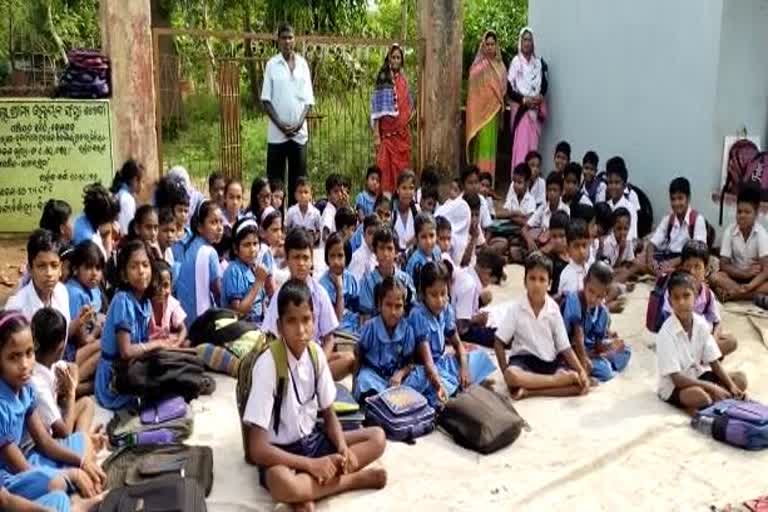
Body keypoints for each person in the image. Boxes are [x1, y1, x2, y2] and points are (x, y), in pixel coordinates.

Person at [242, 280, 387, 510]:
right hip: (280, 453)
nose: (301, 330)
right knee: (283, 484)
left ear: (314, 320)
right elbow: (257, 449)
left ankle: (307, 493)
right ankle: (352, 480)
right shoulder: (268, 364)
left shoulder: (316, 353)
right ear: (279, 326)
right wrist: (311, 465)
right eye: (291, 321)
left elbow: (329, 417)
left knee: (377, 437)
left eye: (306, 320)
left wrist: (342, 448)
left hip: (312, 440)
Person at [0, 311, 104, 500]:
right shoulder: (1, 406)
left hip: (31, 457)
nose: (24, 364)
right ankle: (75, 495)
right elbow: (23, 470)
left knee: (82, 442)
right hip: (11, 477)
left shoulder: (25, 389)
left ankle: (78, 487)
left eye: (29, 353)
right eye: (14, 357)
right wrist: (71, 475)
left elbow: (45, 442)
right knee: (57, 489)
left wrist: (81, 463)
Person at [494, 252, 590, 399]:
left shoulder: (553, 309)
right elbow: (499, 342)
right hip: (523, 360)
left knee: (579, 386)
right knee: (511, 375)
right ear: (525, 281)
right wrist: (505, 372)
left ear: (549, 284)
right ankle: (554, 382)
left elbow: (565, 347)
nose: (536, 284)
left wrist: (581, 370)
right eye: (532, 278)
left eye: (542, 279)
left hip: (548, 361)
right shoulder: (516, 308)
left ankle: (531, 391)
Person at [262, 229, 354, 381]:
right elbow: (271, 337)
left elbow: (329, 338)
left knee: (350, 358)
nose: (301, 263)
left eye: (305, 258)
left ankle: (314, 380)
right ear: (287, 258)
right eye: (296, 257)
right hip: (287, 361)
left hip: (314, 359)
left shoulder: (319, 293)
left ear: (312, 260)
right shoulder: (280, 295)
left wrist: (319, 365)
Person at [656, 271, 747, 416]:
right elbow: (677, 379)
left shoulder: (700, 323)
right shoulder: (666, 333)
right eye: (676, 298)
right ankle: (716, 399)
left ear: (695, 296)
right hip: (674, 387)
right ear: (670, 301)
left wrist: (731, 385)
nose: (681, 302)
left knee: (739, 380)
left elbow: (714, 362)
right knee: (700, 396)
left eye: (686, 296)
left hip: (697, 375)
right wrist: (712, 387)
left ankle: (719, 398)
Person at [407, 262, 496, 407]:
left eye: (443, 293)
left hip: (442, 363)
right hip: (425, 369)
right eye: (433, 295)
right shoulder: (418, 315)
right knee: (435, 388)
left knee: (478, 356)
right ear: (423, 294)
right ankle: (461, 387)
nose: (440, 300)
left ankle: (462, 384)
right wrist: (438, 384)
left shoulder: (446, 309)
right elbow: (428, 363)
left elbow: (458, 344)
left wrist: (464, 368)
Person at [262, 23, 315, 206]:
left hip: (299, 135)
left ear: (295, 40)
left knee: (298, 183)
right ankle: (275, 225)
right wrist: (281, 125)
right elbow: (266, 100)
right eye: (283, 37)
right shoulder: (271, 65)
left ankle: (295, 227)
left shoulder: (302, 64)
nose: (287, 41)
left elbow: (308, 101)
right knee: (276, 184)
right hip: (277, 135)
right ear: (278, 41)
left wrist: (299, 123)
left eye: (290, 37)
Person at [661, 241, 738, 358]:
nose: (692, 272)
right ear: (681, 268)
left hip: (703, 342)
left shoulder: (707, 294)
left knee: (731, 341)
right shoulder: (674, 292)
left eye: (697, 267)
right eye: (688, 266)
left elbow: (717, 322)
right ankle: (702, 359)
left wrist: (713, 340)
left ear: (706, 270)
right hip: (680, 343)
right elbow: (668, 323)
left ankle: (703, 358)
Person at [30, 308, 95, 439]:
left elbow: (74, 367)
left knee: (87, 403)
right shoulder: (37, 383)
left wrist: (70, 387)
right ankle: (82, 446)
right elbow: (64, 432)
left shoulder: (51, 363)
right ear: (61, 347)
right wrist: (70, 394)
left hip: (57, 421)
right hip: (46, 439)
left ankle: (82, 442)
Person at [561, 262, 631, 382]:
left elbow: (598, 345)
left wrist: (611, 345)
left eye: (599, 296)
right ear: (584, 283)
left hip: (589, 349)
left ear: (606, 294)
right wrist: (583, 361)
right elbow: (577, 336)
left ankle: (597, 362)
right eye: (591, 291)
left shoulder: (603, 312)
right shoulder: (575, 299)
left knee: (626, 350)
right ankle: (585, 367)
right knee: (606, 371)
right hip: (569, 349)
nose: (593, 299)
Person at [353, 277, 418, 401]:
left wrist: (400, 374)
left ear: (404, 308)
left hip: (397, 379)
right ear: (379, 305)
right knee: (364, 381)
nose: (393, 312)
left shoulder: (407, 330)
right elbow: (359, 354)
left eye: (398, 306)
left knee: (421, 377)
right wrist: (354, 381)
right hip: (374, 376)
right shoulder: (371, 327)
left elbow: (410, 362)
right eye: (388, 305)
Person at [710, 185, 768, 302]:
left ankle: (734, 295)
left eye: (747, 212)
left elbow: (766, 270)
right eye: (739, 211)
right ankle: (746, 295)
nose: (742, 216)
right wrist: (744, 274)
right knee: (714, 277)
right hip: (735, 277)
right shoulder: (729, 231)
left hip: (754, 281)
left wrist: (750, 285)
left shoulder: (761, 234)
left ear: (756, 214)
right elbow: (724, 265)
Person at [7, 230, 71, 334]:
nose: (49, 273)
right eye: (41, 266)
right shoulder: (16, 308)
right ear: (30, 269)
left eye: (54, 265)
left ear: (61, 268)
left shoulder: (62, 292)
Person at [371, 44, 414, 193]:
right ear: (389, 59)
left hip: (402, 136)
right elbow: (376, 110)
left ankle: (402, 200)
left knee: (403, 172)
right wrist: (376, 134)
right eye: (393, 57)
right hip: (387, 137)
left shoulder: (403, 80)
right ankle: (386, 206)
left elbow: (409, 105)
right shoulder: (382, 79)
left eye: (398, 58)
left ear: (402, 61)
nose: (396, 60)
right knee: (385, 172)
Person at [175, 201, 224, 326]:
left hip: (185, 321)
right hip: (200, 324)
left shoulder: (192, 246)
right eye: (213, 222)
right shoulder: (209, 252)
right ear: (200, 227)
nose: (219, 228)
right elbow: (219, 293)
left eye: (221, 222)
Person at [466, 30, 508, 177]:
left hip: (494, 112)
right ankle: (478, 180)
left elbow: (503, 89)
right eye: (487, 44)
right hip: (481, 115)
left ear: (496, 46)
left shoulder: (501, 66)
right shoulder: (479, 66)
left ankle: (489, 183)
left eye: (492, 44)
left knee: (491, 148)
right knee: (482, 146)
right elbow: (473, 86)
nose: (490, 47)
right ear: (483, 46)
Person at [646, 177, 707, 276]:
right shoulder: (668, 219)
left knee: (685, 271)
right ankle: (660, 273)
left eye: (680, 198)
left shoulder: (697, 220)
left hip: (685, 260)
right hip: (667, 256)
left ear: (688, 199)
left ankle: (665, 275)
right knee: (639, 261)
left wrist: (672, 263)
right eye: (673, 199)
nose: (676, 203)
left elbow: (698, 252)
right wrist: (650, 262)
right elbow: (652, 244)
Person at [63, 241, 104, 390]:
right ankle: (72, 387)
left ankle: (76, 385)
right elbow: (83, 341)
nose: (94, 273)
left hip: (75, 350)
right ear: (75, 269)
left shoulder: (89, 289)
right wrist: (98, 328)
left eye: (98, 268)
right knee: (105, 345)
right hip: (68, 353)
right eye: (88, 267)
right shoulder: (75, 294)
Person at [507, 27, 548, 168]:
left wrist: (540, 97)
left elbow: (544, 84)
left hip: (534, 111)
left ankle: (532, 181)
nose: (527, 43)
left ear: (533, 42)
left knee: (533, 148)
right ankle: (519, 179)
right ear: (520, 42)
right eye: (524, 39)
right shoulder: (516, 62)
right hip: (522, 111)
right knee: (521, 148)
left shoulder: (538, 64)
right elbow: (509, 88)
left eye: (530, 40)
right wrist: (524, 100)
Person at [359, 227, 415, 322]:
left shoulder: (405, 280)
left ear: (396, 251)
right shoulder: (367, 282)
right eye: (381, 248)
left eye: (389, 248)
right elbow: (366, 317)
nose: (385, 253)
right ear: (375, 251)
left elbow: (411, 311)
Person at [452, 249, 506, 347]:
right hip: (460, 330)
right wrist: (477, 319)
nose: (488, 284)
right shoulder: (469, 285)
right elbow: (461, 328)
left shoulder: (467, 272)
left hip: (461, 316)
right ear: (487, 272)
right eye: (491, 281)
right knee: (503, 337)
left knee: (487, 296)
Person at [320, 233, 361, 336]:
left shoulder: (351, 279)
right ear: (327, 258)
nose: (336, 261)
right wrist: (339, 288)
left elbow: (360, 308)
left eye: (340, 256)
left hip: (355, 328)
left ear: (346, 257)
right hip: (337, 333)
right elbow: (336, 320)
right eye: (332, 256)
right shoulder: (323, 285)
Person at [523, 172, 569, 253]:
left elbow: (564, 237)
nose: (551, 193)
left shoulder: (565, 210)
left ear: (561, 192)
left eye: (555, 190)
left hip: (555, 247)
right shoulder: (543, 208)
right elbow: (525, 228)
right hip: (540, 243)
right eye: (549, 190)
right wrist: (529, 240)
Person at [72, 184, 119, 258]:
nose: (114, 223)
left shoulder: (80, 219)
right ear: (103, 219)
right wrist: (108, 236)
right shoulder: (90, 241)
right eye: (112, 220)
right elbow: (105, 262)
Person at [148, 259, 187, 345]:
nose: (161, 290)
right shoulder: (144, 305)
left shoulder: (171, 302)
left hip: (167, 346)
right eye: (156, 285)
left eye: (166, 285)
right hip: (149, 348)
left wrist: (176, 345)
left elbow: (183, 329)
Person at [603, 157, 639, 243]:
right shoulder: (606, 205)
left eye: (617, 183)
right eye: (610, 182)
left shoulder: (630, 208)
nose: (613, 186)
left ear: (624, 185)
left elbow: (631, 237)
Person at [404, 213, 441, 287]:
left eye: (431, 235)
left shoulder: (437, 251)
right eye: (423, 237)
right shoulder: (416, 263)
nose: (428, 241)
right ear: (417, 238)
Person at [111, 159, 144, 236]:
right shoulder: (127, 199)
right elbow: (126, 230)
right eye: (143, 181)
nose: (143, 186)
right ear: (135, 179)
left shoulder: (120, 194)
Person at [557, 219, 590, 296]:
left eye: (584, 245)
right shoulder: (567, 275)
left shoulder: (589, 268)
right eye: (576, 246)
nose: (581, 251)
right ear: (568, 249)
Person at [286, 177, 323, 245]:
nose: (303, 195)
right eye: (300, 192)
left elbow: (320, 230)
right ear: (295, 195)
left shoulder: (316, 213)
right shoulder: (291, 211)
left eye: (306, 192)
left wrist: (314, 237)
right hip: (294, 245)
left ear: (311, 195)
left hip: (311, 246)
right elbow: (286, 228)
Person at [391, 170, 419, 253]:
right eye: (404, 188)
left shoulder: (417, 211)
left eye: (411, 188)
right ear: (397, 190)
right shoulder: (391, 212)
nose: (407, 192)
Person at [349, 214, 382, 282]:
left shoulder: (376, 255)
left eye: (376, 233)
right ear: (364, 235)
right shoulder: (359, 258)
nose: (373, 237)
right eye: (370, 233)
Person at [545, 211, 570, 296]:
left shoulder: (574, 257)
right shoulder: (549, 262)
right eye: (554, 236)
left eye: (562, 236)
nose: (558, 241)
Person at [321, 174, 348, 242]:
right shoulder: (329, 211)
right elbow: (325, 235)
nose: (339, 194)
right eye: (336, 191)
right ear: (328, 195)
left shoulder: (337, 210)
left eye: (341, 191)